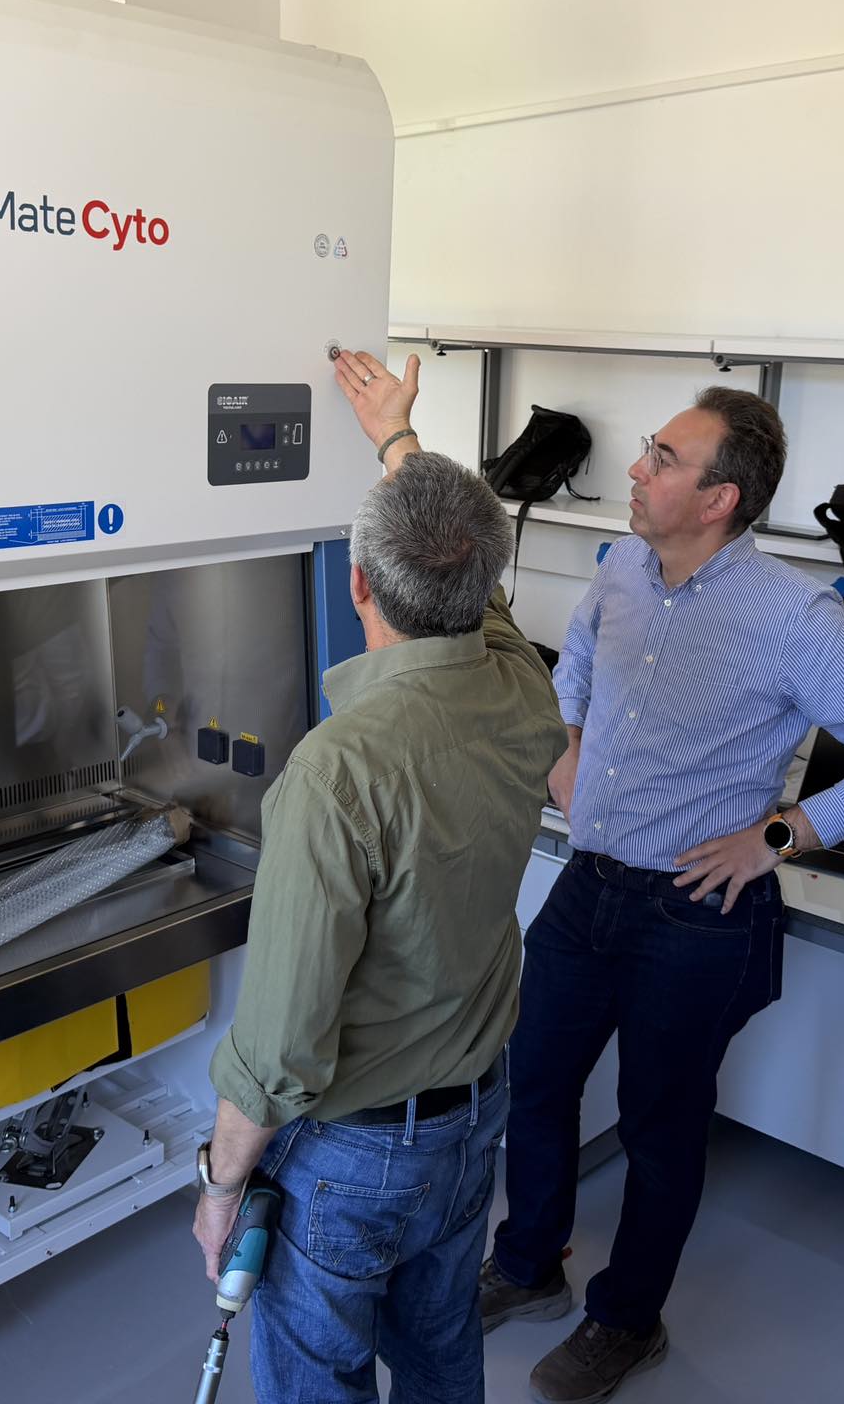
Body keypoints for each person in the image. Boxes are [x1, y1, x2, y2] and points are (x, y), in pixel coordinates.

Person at [480, 387, 844, 1404]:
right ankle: (527, 1264)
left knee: (660, 1128)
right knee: (534, 1084)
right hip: (587, 886)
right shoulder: (623, 568)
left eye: (662, 458)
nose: (636, 469)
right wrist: (565, 747)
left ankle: (625, 1321)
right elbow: (576, 665)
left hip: (689, 914)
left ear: (719, 499)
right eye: (648, 450)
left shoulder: (789, 616)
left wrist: (778, 836)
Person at [192, 348, 567, 1404]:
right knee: (442, 1354)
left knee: (320, 1379)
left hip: (355, 1157)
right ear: (480, 583)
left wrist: (220, 1185)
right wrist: (396, 437)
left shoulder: (337, 771)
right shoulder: (520, 686)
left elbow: (279, 1047)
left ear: (357, 583)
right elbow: (479, 589)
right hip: (472, 1119)